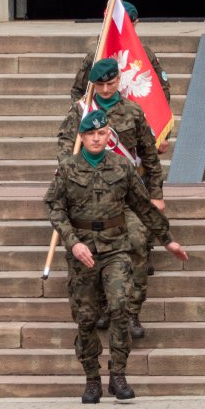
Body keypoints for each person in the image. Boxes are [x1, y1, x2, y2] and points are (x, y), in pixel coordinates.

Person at [46, 109, 186, 403]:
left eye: (101, 133)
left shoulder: (122, 168)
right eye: (90, 135)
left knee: (120, 306)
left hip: (115, 248)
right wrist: (72, 243)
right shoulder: (68, 169)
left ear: (108, 135)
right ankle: (92, 379)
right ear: (81, 138)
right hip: (82, 252)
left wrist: (167, 240)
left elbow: (144, 207)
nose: (96, 139)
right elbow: (55, 209)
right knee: (85, 319)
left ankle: (118, 375)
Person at [59, 57, 164, 339]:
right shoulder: (80, 112)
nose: (106, 89)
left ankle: (131, 312)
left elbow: (150, 154)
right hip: (89, 197)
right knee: (94, 251)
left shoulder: (133, 110)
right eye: (101, 85)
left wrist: (156, 194)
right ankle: (104, 307)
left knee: (138, 242)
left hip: (128, 195)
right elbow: (64, 151)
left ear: (119, 81)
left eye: (111, 83)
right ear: (93, 83)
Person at [69, 0, 171, 151]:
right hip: (102, 134)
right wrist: (88, 127)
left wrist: (162, 135)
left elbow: (160, 94)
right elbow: (79, 92)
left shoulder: (144, 55)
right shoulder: (97, 55)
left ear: (135, 24)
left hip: (135, 131)